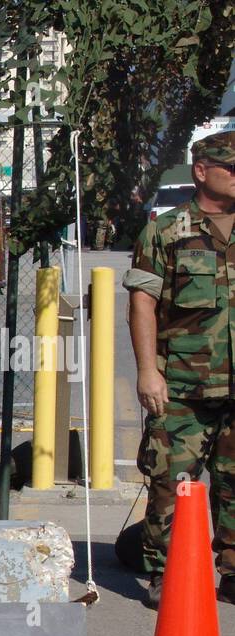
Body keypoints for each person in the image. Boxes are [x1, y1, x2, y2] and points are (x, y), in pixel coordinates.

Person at [125, 130, 235, 609]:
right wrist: (148, 372)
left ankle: (231, 574)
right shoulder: (166, 231)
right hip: (184, 387)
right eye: (231, 167)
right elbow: (142, 305)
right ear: (201, 170)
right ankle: (165, 573)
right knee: (171, 483)